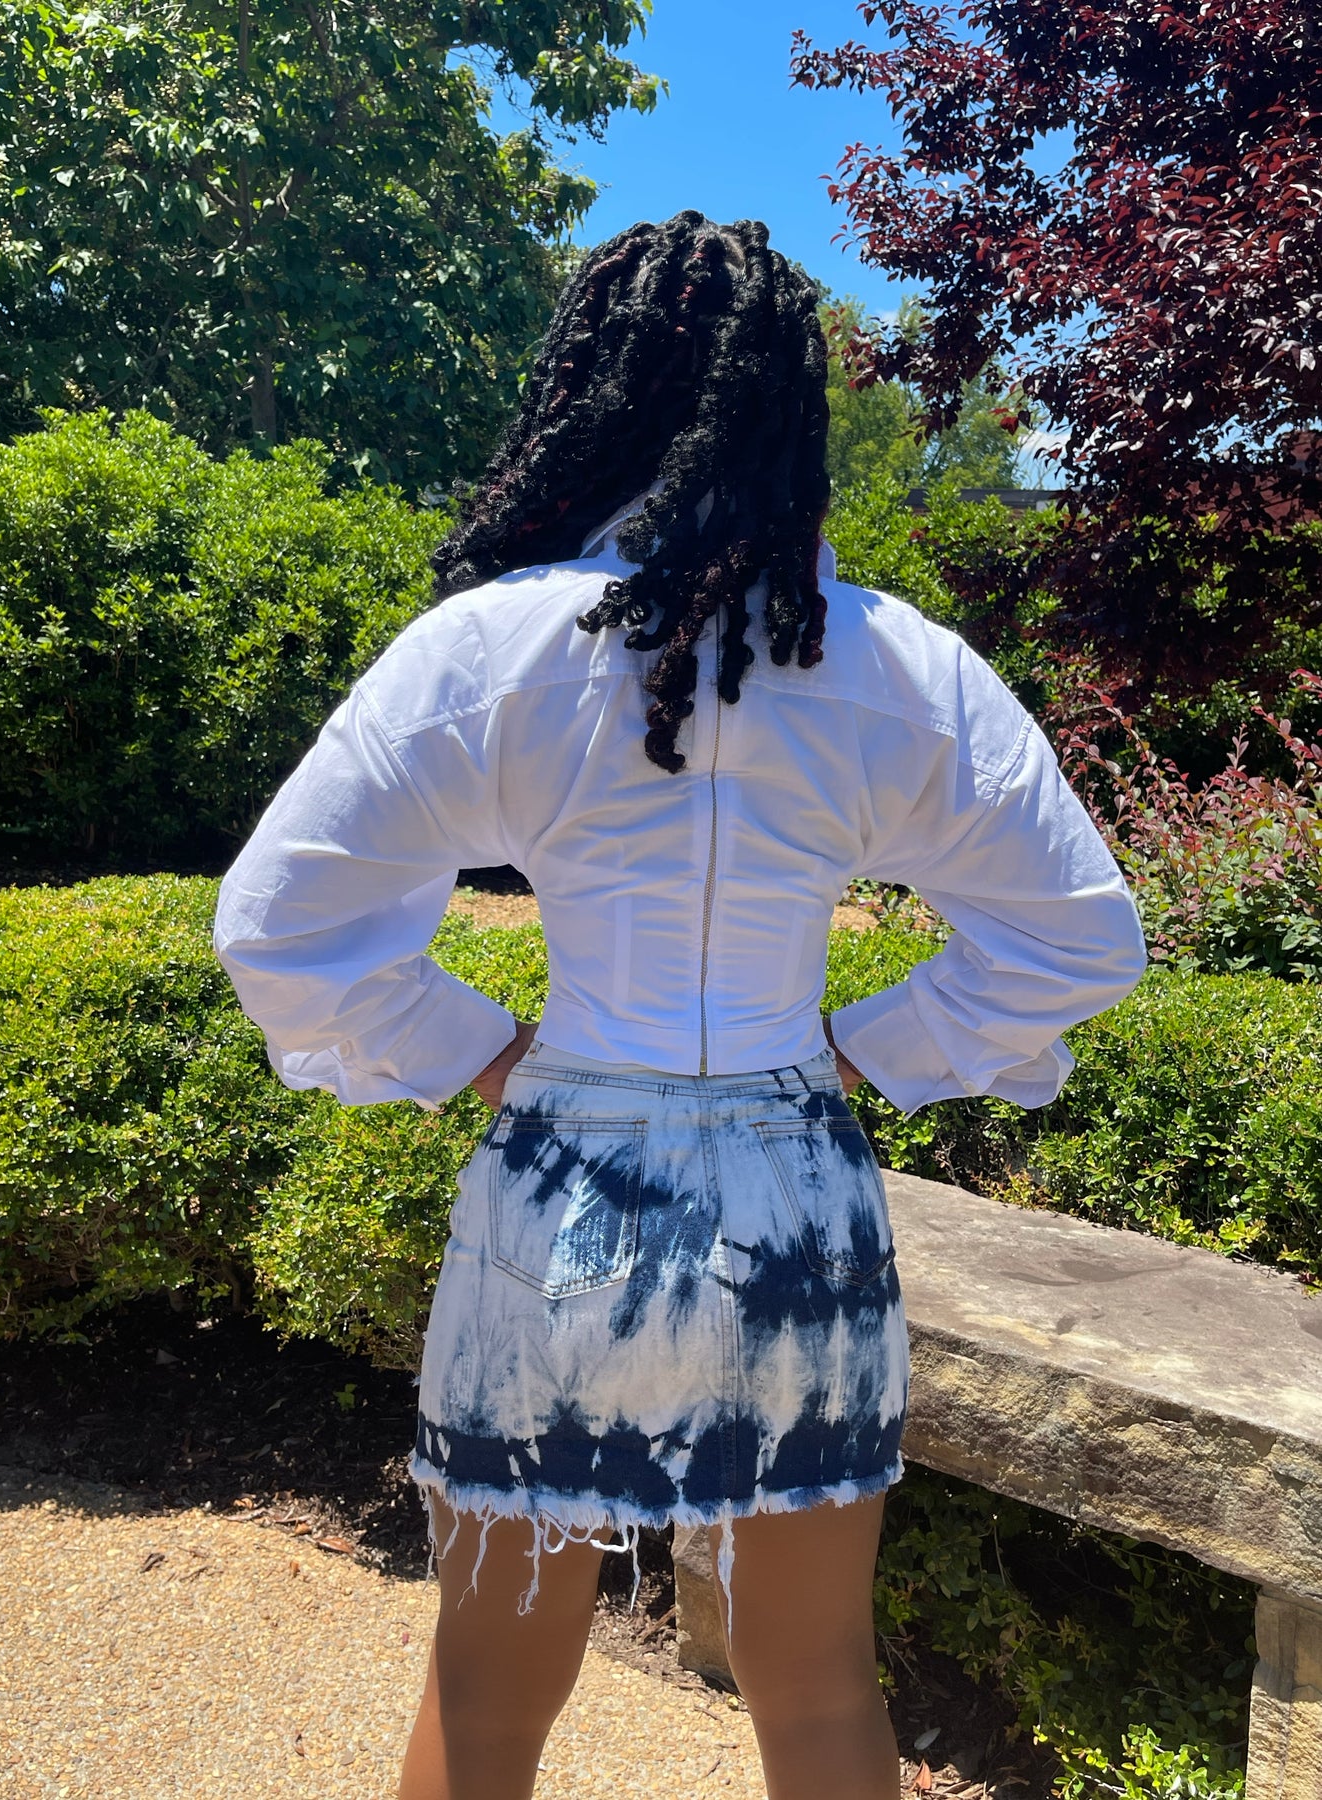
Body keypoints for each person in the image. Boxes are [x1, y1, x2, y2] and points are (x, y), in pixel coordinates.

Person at [214, 212, 1146, 1800]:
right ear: (785, 403)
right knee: (820, 1681)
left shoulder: (491, 650)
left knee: (485, 1690)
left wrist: (476, 1052)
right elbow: (1077, 939)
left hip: (563, 1174)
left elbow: (278, 920)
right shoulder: (898, 665)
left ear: (591, 387)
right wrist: (866, 1050)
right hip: (793, 1182)